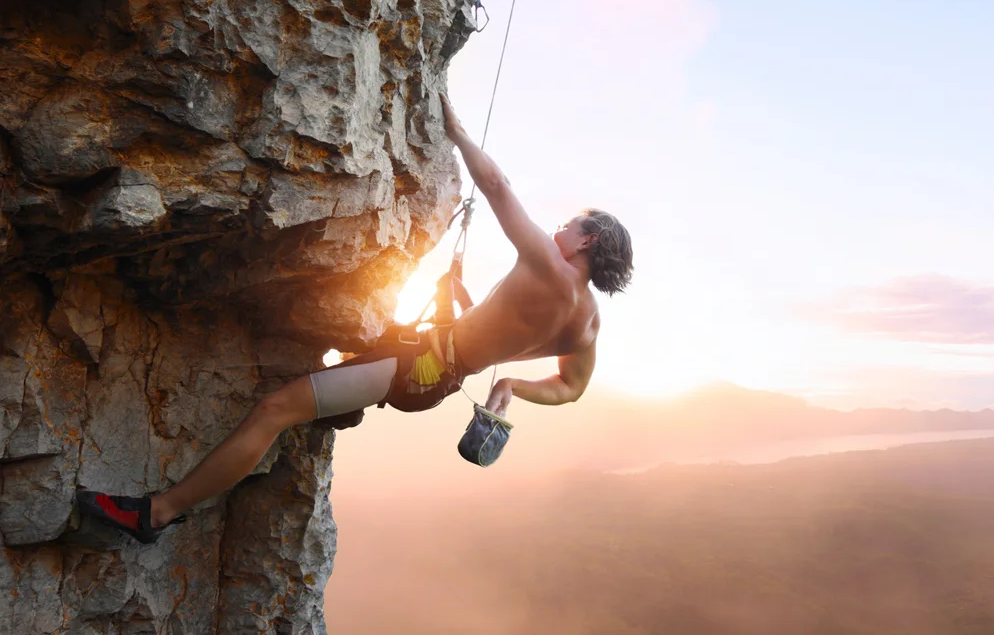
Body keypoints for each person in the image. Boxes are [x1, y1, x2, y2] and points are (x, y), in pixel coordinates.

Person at [77, 99, 634, 543]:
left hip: (416, 364)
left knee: (274, 410)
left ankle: (158, 513)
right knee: (332, 370)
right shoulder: (586, 323)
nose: (558, 230)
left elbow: (498, 187)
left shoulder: (549, 268)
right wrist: (510, 385)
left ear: (588, 241)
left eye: (569, 225)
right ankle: (339, 405)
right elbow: (570, 388)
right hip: (437, 372)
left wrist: (458, 130)